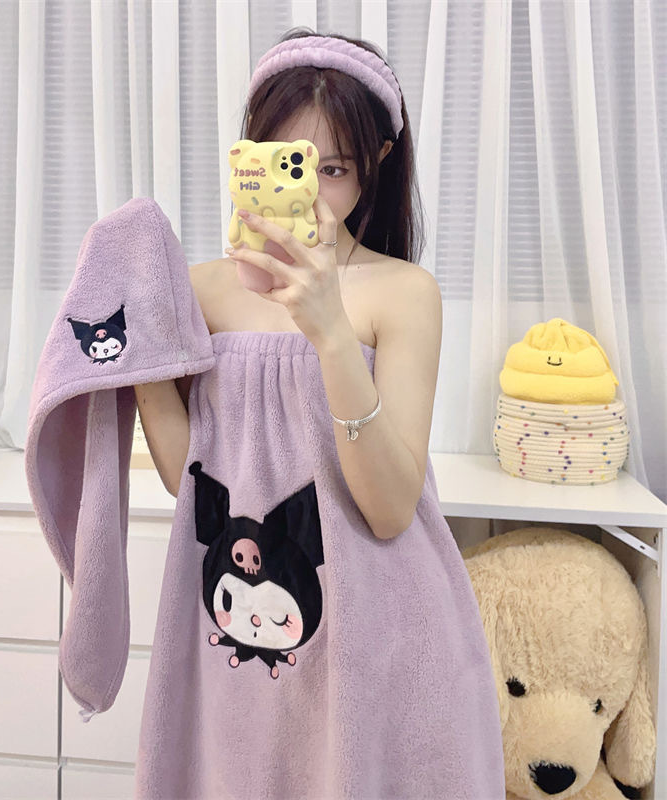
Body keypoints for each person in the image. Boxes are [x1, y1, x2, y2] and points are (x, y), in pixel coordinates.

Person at [133, 28, 506, 799]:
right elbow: (187, 479)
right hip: (244, 628)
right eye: (285, 163)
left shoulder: (403, 293)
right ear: (248, 158)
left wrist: (331, 332)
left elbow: (391, 509)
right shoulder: (200, 290)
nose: (306, 194)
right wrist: (141, 355)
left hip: (380, 632)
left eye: (331, 169)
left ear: (376, 163)